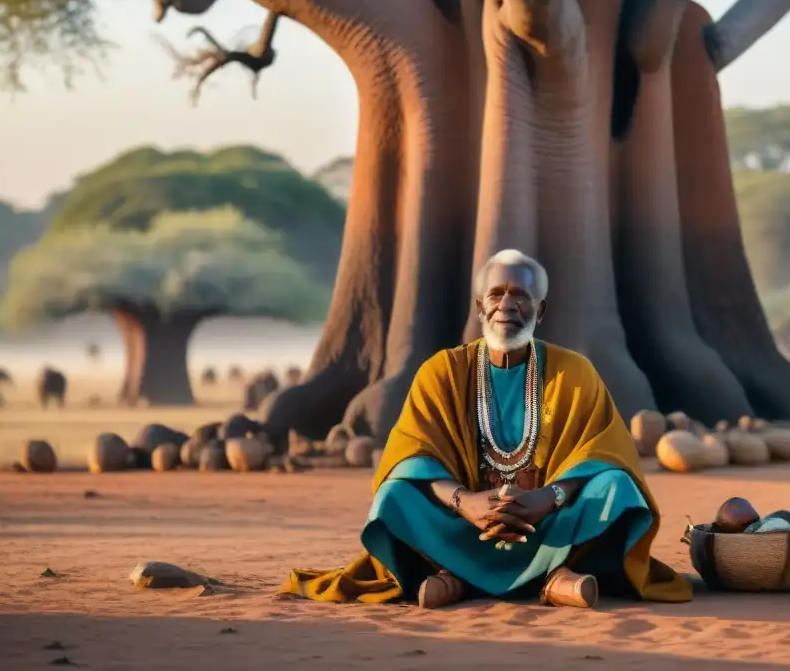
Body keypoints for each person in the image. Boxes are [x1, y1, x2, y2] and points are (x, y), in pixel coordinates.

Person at [279, 249, 692, 609]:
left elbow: (606, 454)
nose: (507, 305)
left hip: (549, 523)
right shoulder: (441, 372)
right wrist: (465, 502)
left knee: (618, 489)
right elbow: (411, 456)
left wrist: (547, 498)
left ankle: (511, 578)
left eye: (521, 296)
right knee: (394, 495)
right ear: (480, 307)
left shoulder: (575, 372)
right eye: (497, 294)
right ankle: (476, 575)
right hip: (462, 524)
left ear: (541, 310)